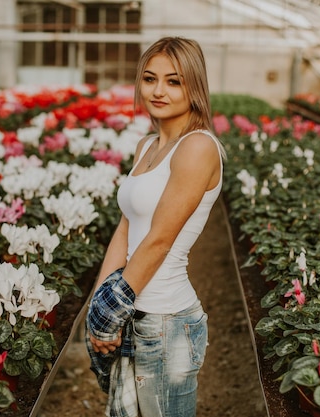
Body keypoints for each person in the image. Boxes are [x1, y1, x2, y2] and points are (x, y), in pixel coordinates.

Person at [85, 36, 226, 417]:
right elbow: (125, 229)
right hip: (133, 310)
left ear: (194, 86)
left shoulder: (198, 147)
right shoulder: (146, 147)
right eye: (150, 79)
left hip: (165, 323)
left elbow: (160, 239)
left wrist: (110, 310)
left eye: (174, 81)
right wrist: (99, 301)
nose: (158, 90)